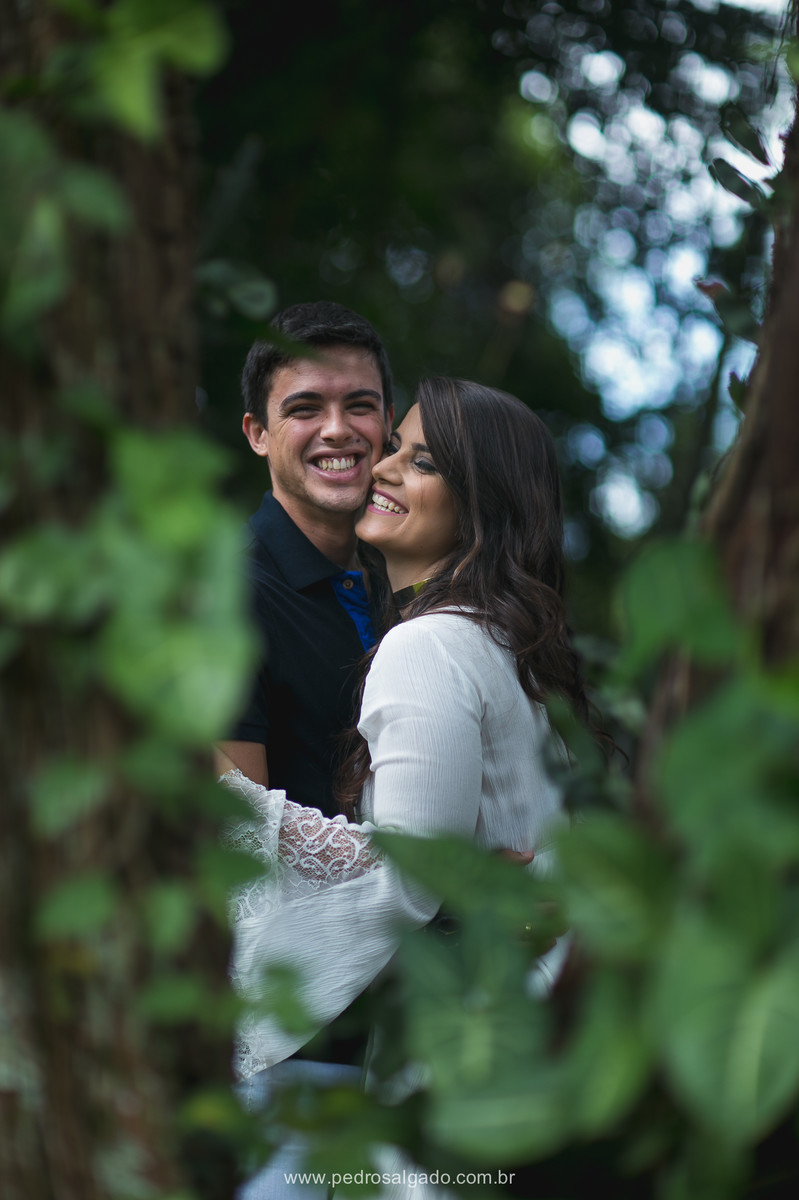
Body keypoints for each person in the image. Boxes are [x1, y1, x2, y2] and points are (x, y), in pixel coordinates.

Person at [222, 378, 589, 1194]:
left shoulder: (427, 647)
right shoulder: (503, 646)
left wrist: (236, 813)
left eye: (417, 461)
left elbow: (415, 877)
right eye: (396, 447)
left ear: (479, 505)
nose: (380, 468)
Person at [215, 301, 394, 816]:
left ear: (387, 420)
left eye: (359, 405)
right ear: (258, 434)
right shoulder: (228, 595)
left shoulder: (408, 581)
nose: (337, 429)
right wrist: (444, 869)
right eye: (305, 409)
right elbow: (244, 835)